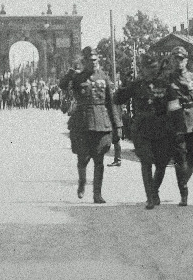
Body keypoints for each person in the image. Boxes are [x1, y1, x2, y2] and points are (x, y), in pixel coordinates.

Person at [58, 47, 118, 203]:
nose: (93, 63)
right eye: (90, 60)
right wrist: (70, 74)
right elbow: (63, 86)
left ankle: (97, 194)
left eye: (95, 60)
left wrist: (116, 126)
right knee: (82, 158)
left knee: (99, 160)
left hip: (101, 122)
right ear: (84, 62)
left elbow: (110, 103)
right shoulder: (78, 78)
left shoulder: (104, 78)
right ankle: (82, 183)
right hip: (82, 123)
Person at [113, 54, 173, 209]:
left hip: (161, 127)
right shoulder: (136, 85)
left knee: (161, 163)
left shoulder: (164, 84)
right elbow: (118, 99)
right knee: (146, 161)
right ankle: (150, 197)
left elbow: (172, 105)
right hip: (142, 128)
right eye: (148, 68)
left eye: (154, 68)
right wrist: (124, 83)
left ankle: (154, 190)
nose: (151, 71)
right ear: (143, 70)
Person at [165, 46, 193, 206]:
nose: (179, 62)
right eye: (176, 59)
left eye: (181, 59)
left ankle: (184, 181)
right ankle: (183, 190)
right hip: (176, 124)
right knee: (179, 159)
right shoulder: (168, 79)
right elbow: (164, 104)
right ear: (172, 61)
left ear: (186, 60)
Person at [107, 84, 124, 167]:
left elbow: (117, 111)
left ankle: (118, 160)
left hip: (115, 122)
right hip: (117, 121)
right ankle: (117, 159)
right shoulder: (116, 98)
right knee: (116, 140)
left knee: (116, 140)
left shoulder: (113, 99)